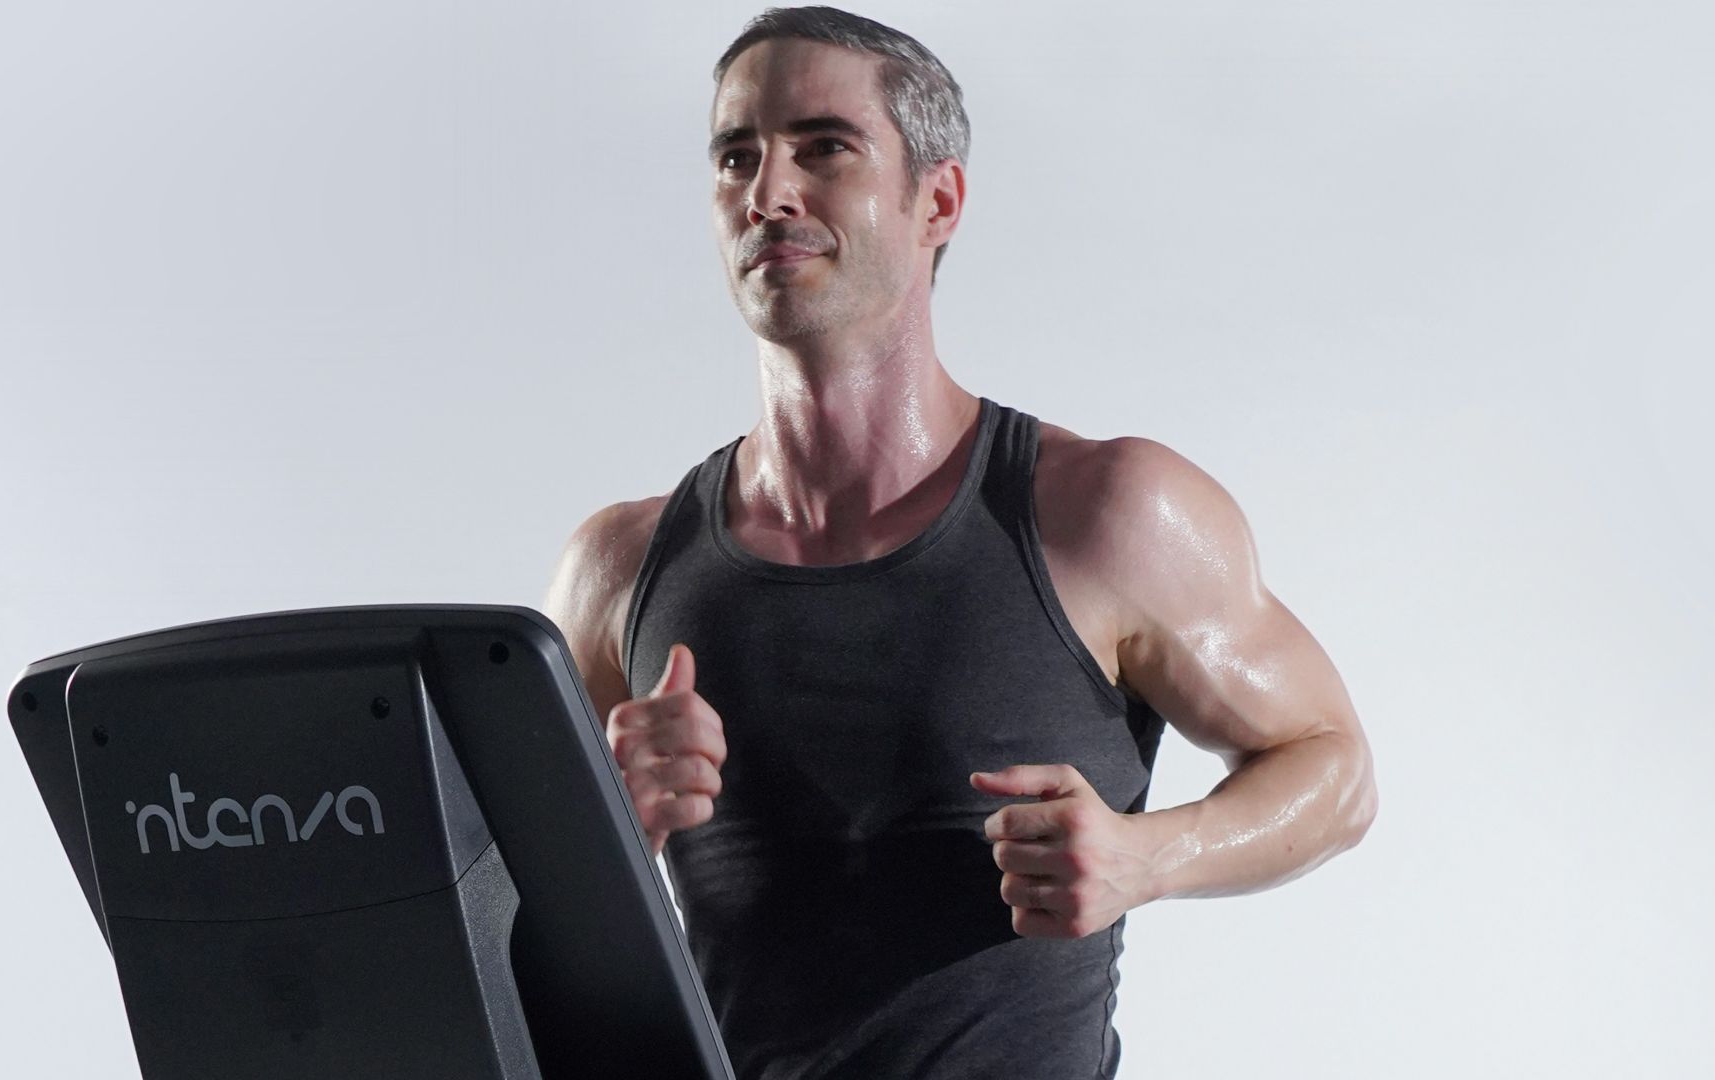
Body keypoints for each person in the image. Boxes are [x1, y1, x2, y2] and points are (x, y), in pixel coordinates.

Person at [542, 7, 1378, 1077]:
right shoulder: (619, 569)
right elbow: (479, 915)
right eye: (735, 157)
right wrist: (604, 832)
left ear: (936, 200)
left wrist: (1145, 856)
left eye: (823, 147)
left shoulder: (1107, 513)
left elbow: (1332, 765)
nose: (767, 194)